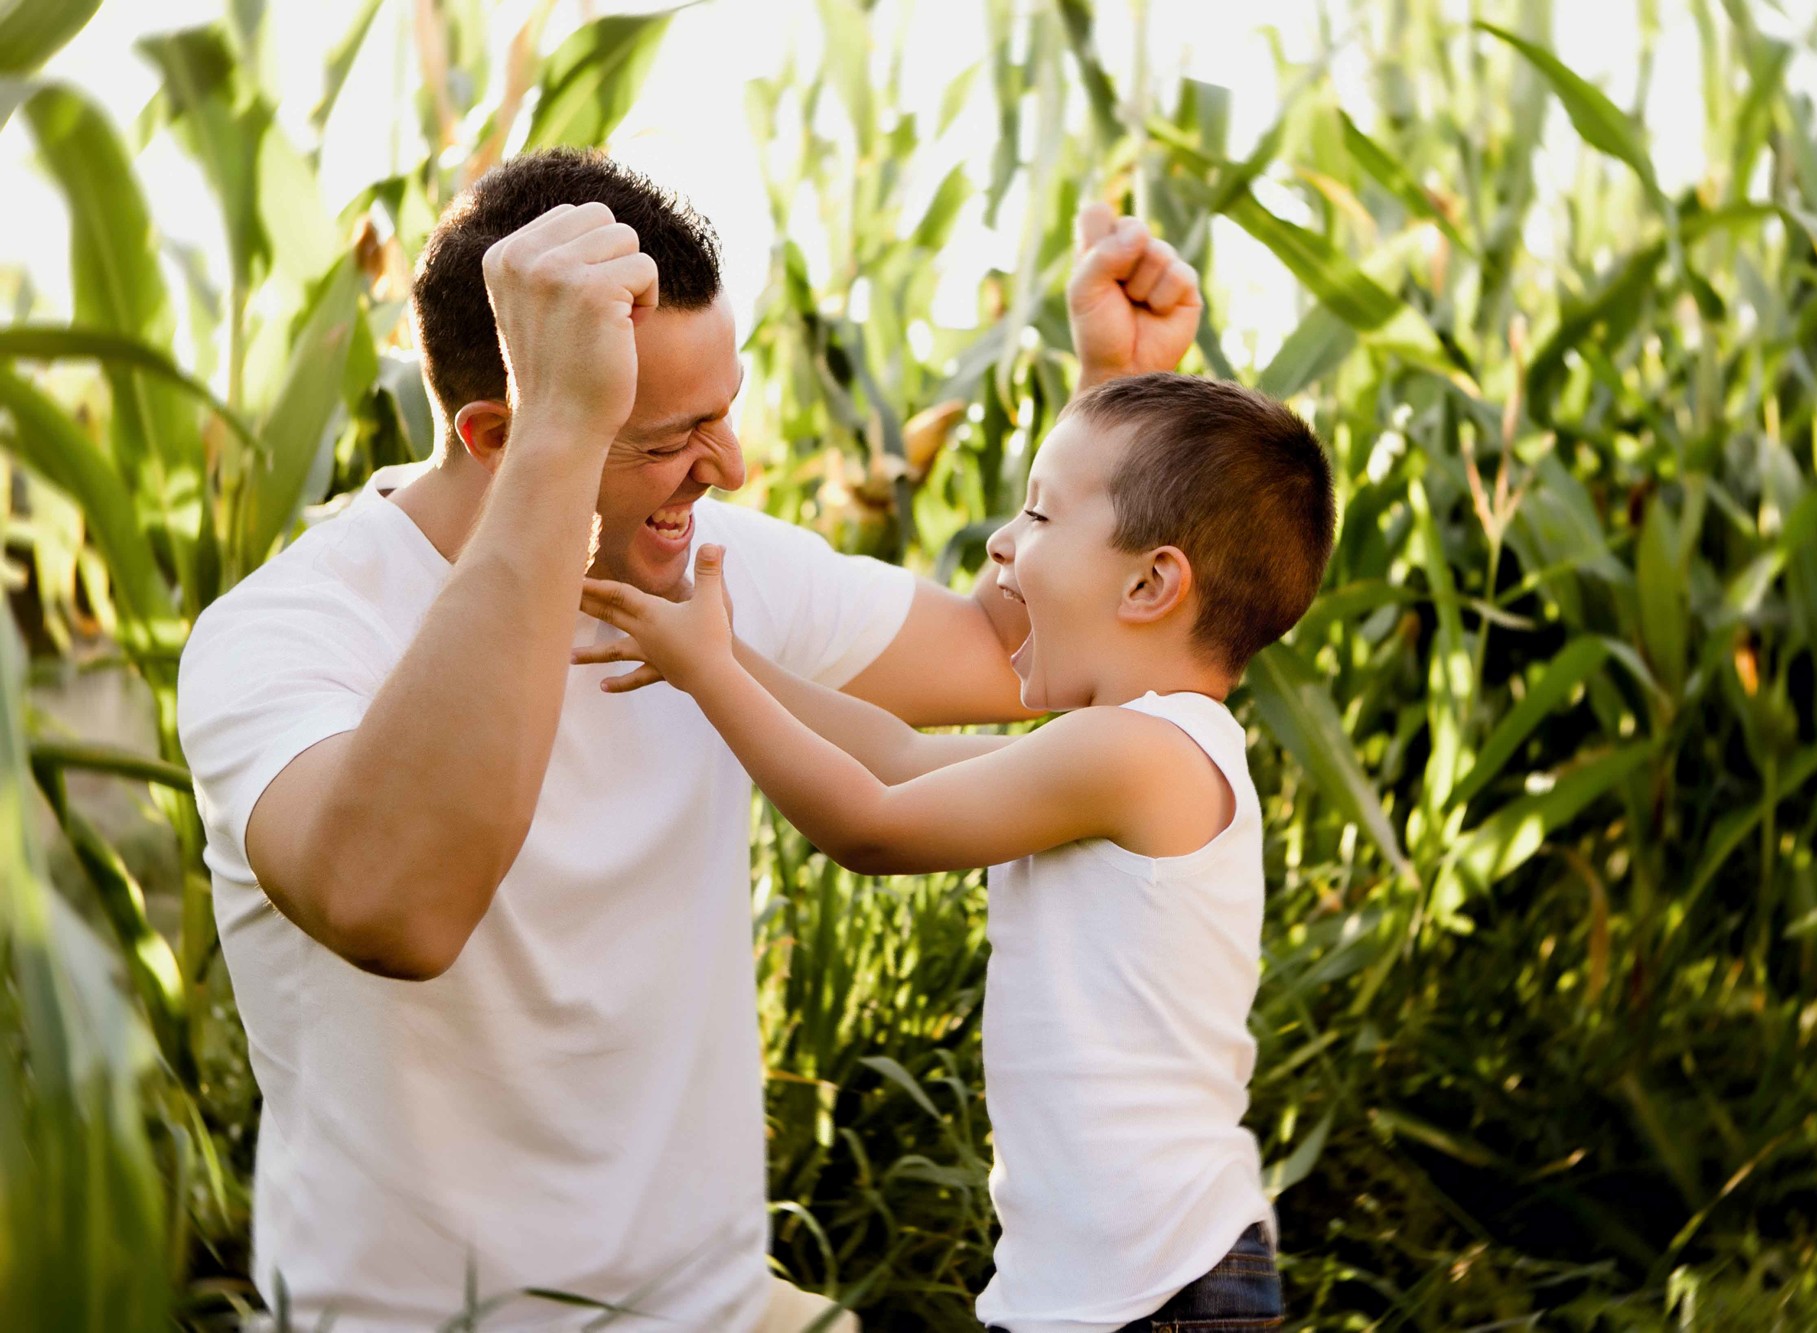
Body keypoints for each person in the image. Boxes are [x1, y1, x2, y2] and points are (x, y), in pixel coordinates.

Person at [175, 148, 1203, 1330]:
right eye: (670, 437)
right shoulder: (287, 634)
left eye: (724, 413)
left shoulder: (710, 567)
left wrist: (1117, 402)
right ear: (500, 433)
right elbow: (398, 908)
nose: (731, 468)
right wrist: (563, 446)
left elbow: (1003, 658)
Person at [574, 371, 1337, 1332]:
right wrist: (718, 653)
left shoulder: (1137, 754)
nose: (999, 542)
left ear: (1150, 583)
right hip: (1110, 1286)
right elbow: (894, 756)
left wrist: (711, 676)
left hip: (1160, 1291)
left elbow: (872, 825)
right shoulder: (1128, 752)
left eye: (1039, 514)